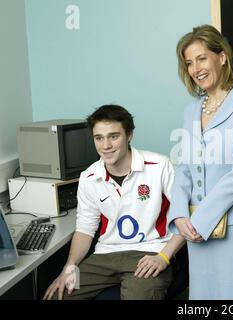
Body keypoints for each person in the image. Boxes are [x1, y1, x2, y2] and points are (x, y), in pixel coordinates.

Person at [168, 25, 233, 300]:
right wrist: (179, 215)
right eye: (189, 62)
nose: (195, 68)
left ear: (222, 57)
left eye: (201, 58)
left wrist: (201, 220)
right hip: (195, 230)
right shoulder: (191, 110)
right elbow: (184, 167)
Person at [43, 105, 185, 300]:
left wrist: (164, 257)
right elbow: (85, 229)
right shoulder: (89, 177)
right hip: (105, 256)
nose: (106, 145)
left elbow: (184, 216)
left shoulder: (159, 165)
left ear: (129, 135)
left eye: (114, 136)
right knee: (57, 296)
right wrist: (69, 267)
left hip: (150, 252)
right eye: (99, 138)